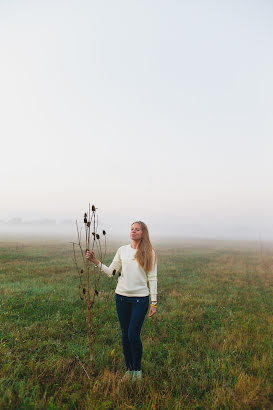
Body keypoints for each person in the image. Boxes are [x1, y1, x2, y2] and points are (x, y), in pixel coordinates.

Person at [86, 221, 157, 383]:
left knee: (133, 334)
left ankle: (137, 372)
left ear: (143, 233)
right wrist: (95, 261)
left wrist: (154, 302)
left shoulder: (150, 253)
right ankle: (129, 370)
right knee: (125, 335)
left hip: (140, 300)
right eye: (132, 229)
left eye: (137, 229)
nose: (133, 231)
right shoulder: (122, 250)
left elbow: (152, 277)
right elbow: (111, 272)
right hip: (121, 298)